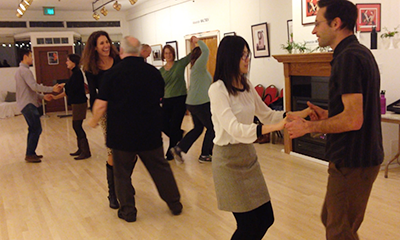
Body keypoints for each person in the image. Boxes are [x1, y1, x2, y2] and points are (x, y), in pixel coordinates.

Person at [285, 1, 383, 239]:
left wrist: (308, 126)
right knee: (331, 219)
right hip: (358, 156)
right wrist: (329, 116)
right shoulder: (359, 53)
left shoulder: (348, 58)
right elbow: (357, 112)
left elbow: (353, 120)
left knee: (338, 231)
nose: (313, 30)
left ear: (336, 24)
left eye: (318, 23)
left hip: (353, 160)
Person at [208, 35, 311, 240]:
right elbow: (234, 129)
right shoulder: (217, 89)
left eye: (248, 55)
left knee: (266, 218)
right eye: (242, 55)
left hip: (248, 157)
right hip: (228, 161)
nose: (247, 59)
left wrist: (303, 113)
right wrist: (273, 127)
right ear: (230, 58)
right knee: (247, 225)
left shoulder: (246, 85)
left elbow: (267, 114)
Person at [88, 36, 182, 222]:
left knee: (121, 173)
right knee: (160, 169)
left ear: (121, 52)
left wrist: (93, 121)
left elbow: (100, 106)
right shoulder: (154, 73)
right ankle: (175, 204)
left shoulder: (112, 75)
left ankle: (128, 211)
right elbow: (160, 97)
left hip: (122, 135)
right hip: (150, 132)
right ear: (139, 51)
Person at [81, 30, 121, 209]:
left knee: (130, 151)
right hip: (107, 112)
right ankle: (112, 193)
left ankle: (124, 183)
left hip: (125, 109)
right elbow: (94, 94)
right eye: (101, 43)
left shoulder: (118, 61)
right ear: (95, 48)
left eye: (107, 41)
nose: (106, 46)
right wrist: (95, 115)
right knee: (112, 151)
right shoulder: (91, 68)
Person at [170, 36, 215, 164]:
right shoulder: (199, 67)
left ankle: (179, 149)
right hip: (200, 103)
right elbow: (206, 51)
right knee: (212, 128)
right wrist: (197, 41)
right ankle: (205, 154)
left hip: (194, 103)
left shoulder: (198, 69)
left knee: (198, 128)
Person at [15, 49, 63, 163]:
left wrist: (42, 97)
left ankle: (30, 153)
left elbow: (30, 90)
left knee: (33, 129)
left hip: (26, 104)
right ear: (25, 57)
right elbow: (34, 87)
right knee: (36, 129)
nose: (32, 58)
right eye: (31, 56)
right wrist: (51, 89)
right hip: (28, 105)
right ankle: (30, 154)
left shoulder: (20, 71)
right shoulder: (24, 71)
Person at [159, 39, 195, 160]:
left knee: (174, 125)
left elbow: (191, 55)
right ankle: (180, 135)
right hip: (166, 100)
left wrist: (193, 43)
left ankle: (170, 152)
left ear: (173, 54)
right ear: (163, 55)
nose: (168, 55)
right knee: (163, 124)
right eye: (166, 53)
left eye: (170, 53)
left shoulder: (179, 64)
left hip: (180, 99)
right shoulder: (161, 71)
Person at [51, 54, 91, 160]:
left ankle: (85, 151)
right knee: (77, 126)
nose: (66, 62)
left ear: (74, 62)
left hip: (79, 104)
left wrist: (62, 89)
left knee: (77, 126)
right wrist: (56, 96)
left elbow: (69, 90)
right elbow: (69, 88)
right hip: (77, 103)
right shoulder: (75, 74)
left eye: (68, 60)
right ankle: (81, 149)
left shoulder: (77, 74)